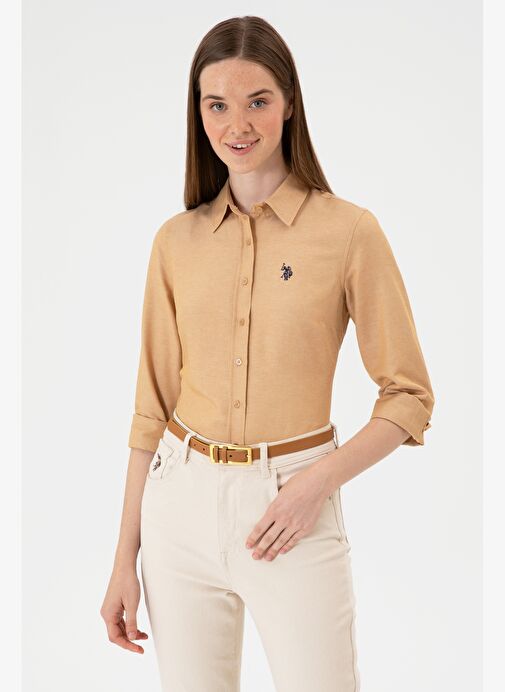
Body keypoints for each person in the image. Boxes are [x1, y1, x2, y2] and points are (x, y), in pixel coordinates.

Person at [100, 15, 435, 692]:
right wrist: (122, 560)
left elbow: (409, 397)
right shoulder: (175, 242)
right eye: (216, 105)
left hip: (293, 508)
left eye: (256, 100)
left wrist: (315, 484)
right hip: (178, 510)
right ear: (197, 113)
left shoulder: (349, 232)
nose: (237, 125)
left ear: (288, 104)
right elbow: (151, 410)